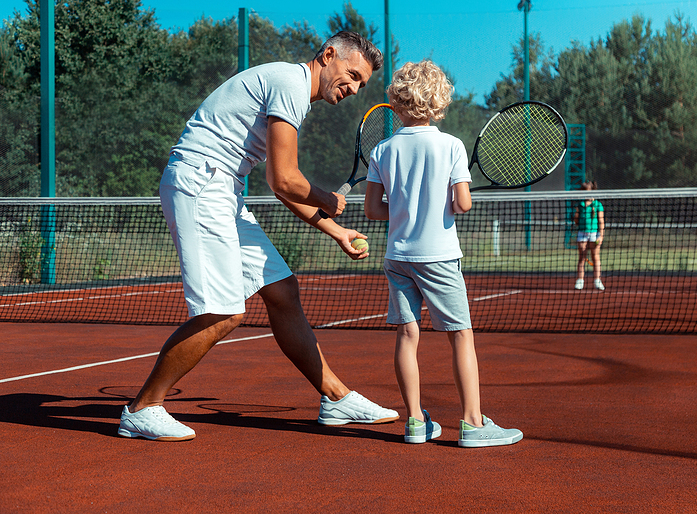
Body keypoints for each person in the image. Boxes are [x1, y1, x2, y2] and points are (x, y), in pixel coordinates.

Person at [118, 31, 399, 441]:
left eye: (362, 84)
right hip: (202, 182)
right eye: (353, 74)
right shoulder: (290, 83)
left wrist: (336, 230)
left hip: (223, 187)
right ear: (328, 54)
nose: (355, 89)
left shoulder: (289, 91)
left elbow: (279, 184)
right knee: (224, 311)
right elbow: (285, 179)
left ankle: (336, 399)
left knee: (282, 290)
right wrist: (325, 197)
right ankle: (142, 408)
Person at [363, 59, 523, 447]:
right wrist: (447, 203)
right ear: (439, 102)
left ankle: (415, 422)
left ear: (397, 102)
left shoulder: (382, 150)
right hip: (438, 257)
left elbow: (373, 210)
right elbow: (463, 204)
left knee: (407, 333)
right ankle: (471, 422)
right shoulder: (451, 145)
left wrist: (405, 210)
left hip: (398, 256)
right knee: (460, 335)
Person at [572, 181, 605, 290]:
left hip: (594, 234)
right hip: (582, 233)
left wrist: (601, 236)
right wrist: (576, 216)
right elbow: (576, 221)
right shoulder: (580, 205)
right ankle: (580, 281)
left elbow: (601, 221)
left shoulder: (597, 205)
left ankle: (597, 280)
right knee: (582, 257)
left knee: (595, 257)